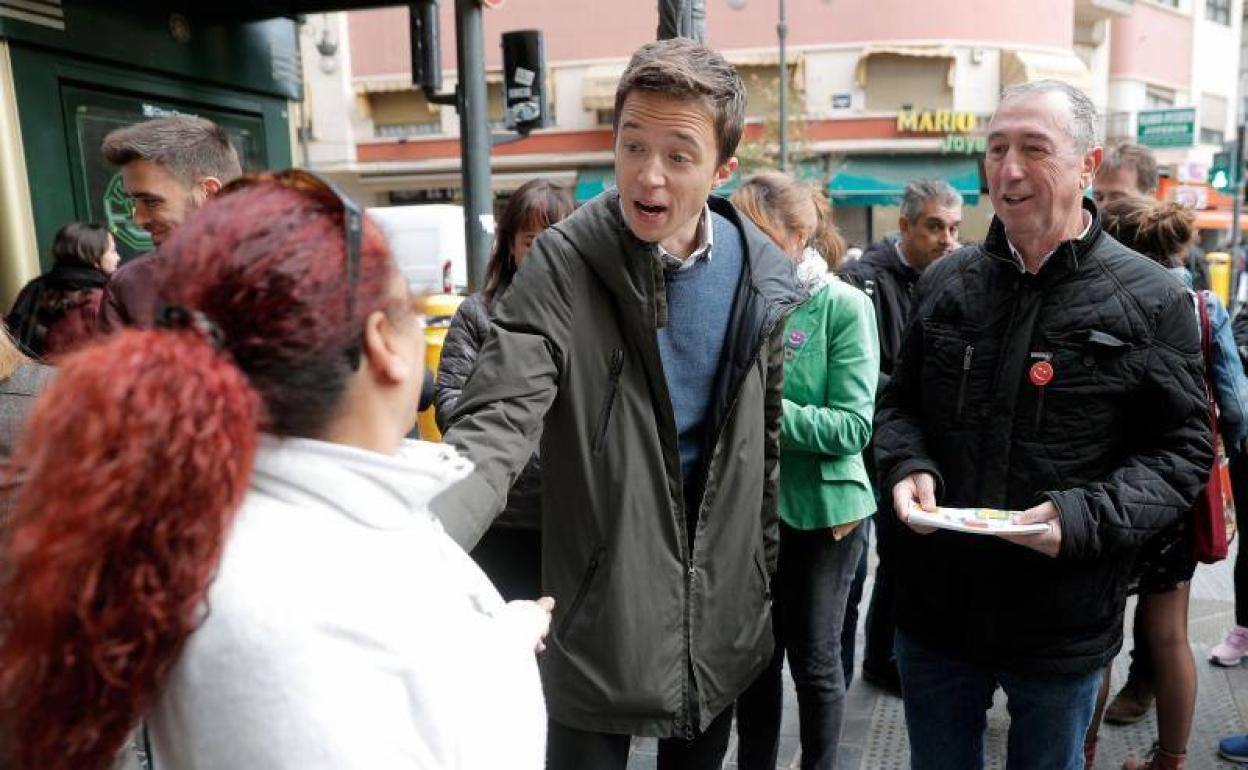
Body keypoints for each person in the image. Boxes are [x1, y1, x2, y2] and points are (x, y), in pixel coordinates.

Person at [0, 172, 553, 770]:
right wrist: (507, 667)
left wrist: (500, 638)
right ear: (383, 345)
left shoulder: (244, 523)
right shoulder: (298, 601)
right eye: (412, 308)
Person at [431, 38, 805, 770]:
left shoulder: (758, 272)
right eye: (632, 145)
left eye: (677, 153)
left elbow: (762, 451)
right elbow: (496, 426)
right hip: (596, 619)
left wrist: (760, 579)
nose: (647, 174)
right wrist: (408, 553)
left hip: (720, 619)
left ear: (723, 170)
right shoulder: (564, 263)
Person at [874, 80, 1212, 770]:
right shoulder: (946, 281)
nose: (1010, 169)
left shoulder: (1151, 299)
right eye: (997, 149)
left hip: (1061, 619)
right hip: (936, 609)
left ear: (1087, 165)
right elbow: (898, 404)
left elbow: (1183, 450)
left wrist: (1081, 517)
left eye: (1034, 149)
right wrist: (907, 465)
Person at [1082, 196, 1248, 770]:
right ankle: (1171, 759)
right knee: (1171, 635)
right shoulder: (1205, 307)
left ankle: (1080, 754)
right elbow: (1238, 412)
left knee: (1097, 642)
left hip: (1113, 492)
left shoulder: (1104, 300)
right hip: (1178, 493)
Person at [730, 172, 878, 770]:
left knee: (816, 665)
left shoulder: (843, 306)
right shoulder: (741, 301)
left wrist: (765, 411)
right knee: (754, 667)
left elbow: (851, 428)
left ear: (798, 235)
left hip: (823, 515)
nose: (747, 248)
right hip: (750, 515)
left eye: (760, 235)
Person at [836, 178, 963, 695]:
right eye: (935, 226)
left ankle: (884, 658)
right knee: (857, 568)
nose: (947, 238)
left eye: (954, 227)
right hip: (859, 444)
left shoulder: (956, 277)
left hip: (913, 447)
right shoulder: (860, 279)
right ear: (905, 225)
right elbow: (859, 373)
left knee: (902, 555)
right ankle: (854, 670)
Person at [434, 179, 574, 599]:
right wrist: (523, 452)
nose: (544, 253)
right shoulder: (477, 314)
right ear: (511, 246)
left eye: (556, 240)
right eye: (532, 241)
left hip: (571, 519)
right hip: (497, 516)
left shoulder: (592, 315)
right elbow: (450, 404)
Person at [96, 115, 242, 333]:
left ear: (210, 193)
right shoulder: (129, 285)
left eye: (151, 201)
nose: (138, 219)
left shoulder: (286, 275)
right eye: (133, 202)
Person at [1093, 142, 1210, 292]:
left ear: (1150, 195)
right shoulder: (1086, 247)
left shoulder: (1186, 258)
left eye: (1117, 196)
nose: (1104, 206)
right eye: (1098, 197)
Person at [7, 222, 119, 358]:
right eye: (112, 251)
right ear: (94, 257)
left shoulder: (34, 290)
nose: (118, 258)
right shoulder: (100, 300)